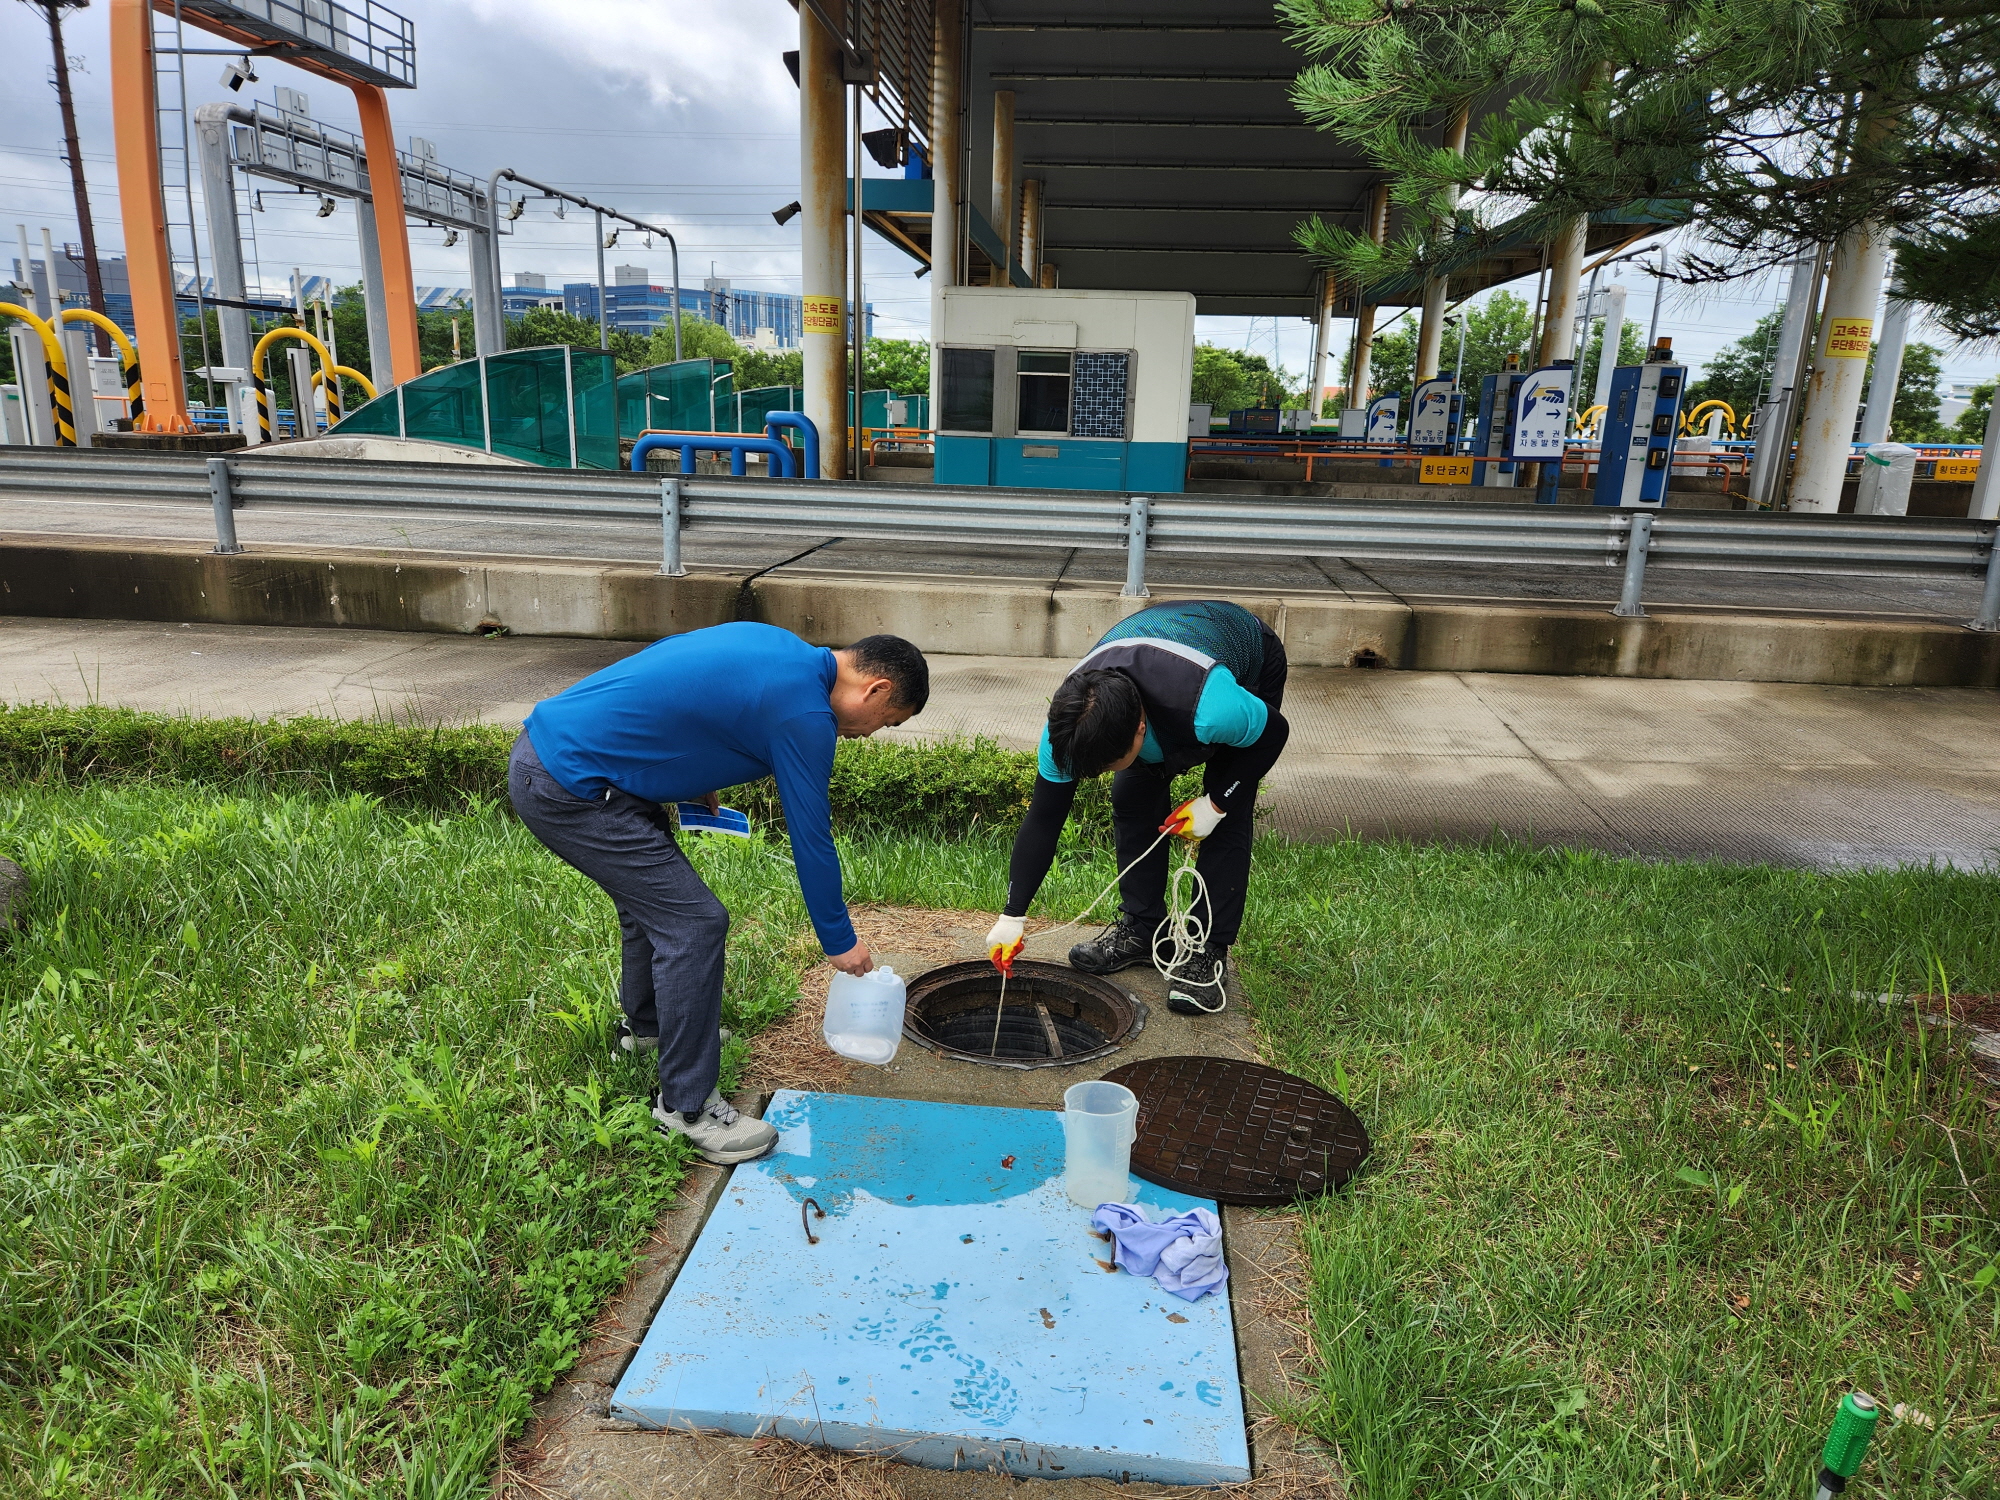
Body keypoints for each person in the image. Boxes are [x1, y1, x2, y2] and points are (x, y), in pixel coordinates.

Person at [509, 624, 928, 1163]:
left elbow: (671, 670)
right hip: (572, 787)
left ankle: (650, 1031)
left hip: (557, 755)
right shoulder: (806, 715)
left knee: (656, 909)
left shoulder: (779, 647)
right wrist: (838, 938)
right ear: (877, 690)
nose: (870, 734)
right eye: (886, 723)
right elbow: (811, 835)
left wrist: (693, 766)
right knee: (694, 923)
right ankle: (685, 1110)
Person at [984, 600, 1288, 1015]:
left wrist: (1216, 803)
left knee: (1226, 817)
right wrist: (1012, 916)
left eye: (1108, 764)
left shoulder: (1210, 709)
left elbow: (1273, 734)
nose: (1102, 771)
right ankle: (1142, 930)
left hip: (1244, 653)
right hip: (1160, 647)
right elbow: (1043, 820)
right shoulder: (1069, 727)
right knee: (1132, 796)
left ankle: (1207, 952)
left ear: (1140, 729)